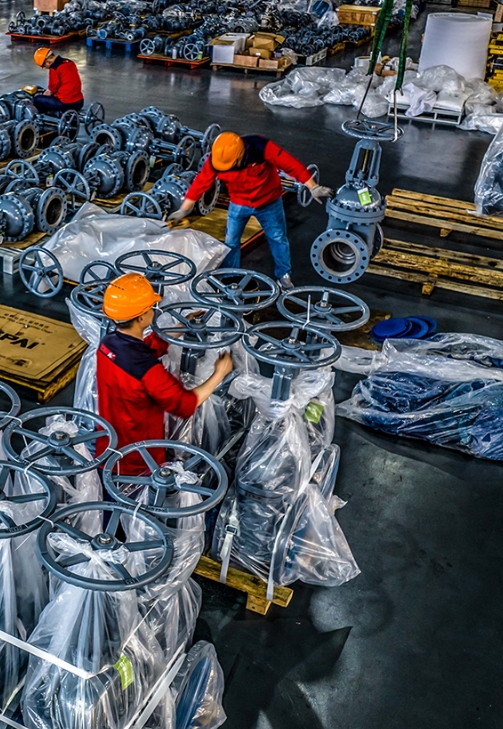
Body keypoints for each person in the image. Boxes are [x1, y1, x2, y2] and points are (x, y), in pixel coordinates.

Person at [96, 273, 233, 474]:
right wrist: (219, 374)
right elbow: (185, 404)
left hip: (108, 447)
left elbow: (145, 348)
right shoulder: (149, 371)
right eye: (151, 307)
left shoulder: (107, 344)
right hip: (138, 462)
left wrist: (181, 325)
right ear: (142, 317)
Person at [168, 131, 333, 289]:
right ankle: (230, 277)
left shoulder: (260, 147)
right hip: (239, 203)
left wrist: (313, 186)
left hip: (269, 203)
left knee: (278, 239)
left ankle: (284, 276)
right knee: (231, 241)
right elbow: (200, 184)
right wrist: (183, 209)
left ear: (239, 155)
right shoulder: (217, 160)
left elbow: (291, 165)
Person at [31, 48, 83, 116]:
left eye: (44, 66)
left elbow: (53, 88)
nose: (46, 68)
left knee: (37, 99)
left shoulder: (54, 68)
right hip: (80, 101)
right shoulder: (69, 62)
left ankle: (42, 119)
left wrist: (44, 94)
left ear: (47, 62)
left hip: (67, 104)